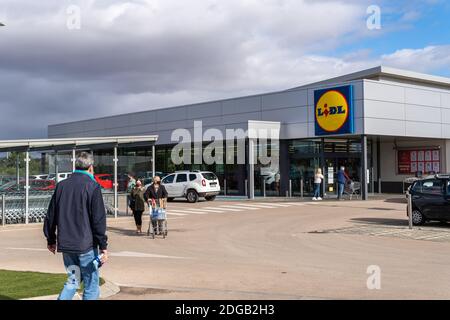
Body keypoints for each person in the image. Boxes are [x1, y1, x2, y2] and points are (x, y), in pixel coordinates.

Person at [44, 152, 108, 300]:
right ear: (91, 167)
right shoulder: (93, 186)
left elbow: (50, 216)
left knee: (73, 281)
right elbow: (98, 220)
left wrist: (51, 240)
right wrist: (103, 245)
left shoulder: (61, 186)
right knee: (91, 284)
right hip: (86, 245)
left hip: (67, 245)